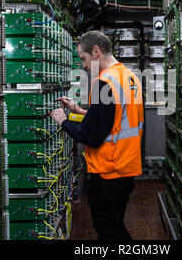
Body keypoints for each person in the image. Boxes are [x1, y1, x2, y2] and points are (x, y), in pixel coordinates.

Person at [49, 30, 144, 240]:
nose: (83, 65)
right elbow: (113, 121)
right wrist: (79, 110)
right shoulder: (128, 77)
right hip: (126, 167)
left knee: (109, 233)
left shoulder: (104, 83)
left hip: (109, 170)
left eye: (83, 59)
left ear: (95, 51)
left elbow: (92, 135)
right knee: (116, 227)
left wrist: (63, 121)